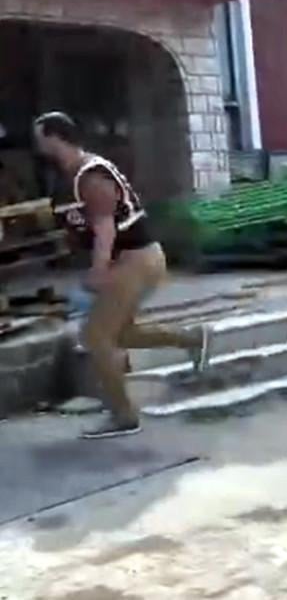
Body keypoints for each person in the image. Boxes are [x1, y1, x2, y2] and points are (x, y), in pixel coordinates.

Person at [35, 112, 212, 439]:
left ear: (55, 137)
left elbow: (105, 228)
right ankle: (191, 338)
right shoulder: (69, 177)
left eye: (40, 136)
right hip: (131, 260)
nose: (37, 143)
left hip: (135, 259)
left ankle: (123, 415)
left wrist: (98, 271)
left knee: (96, 336)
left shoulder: (91, 174)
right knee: (121, 333)